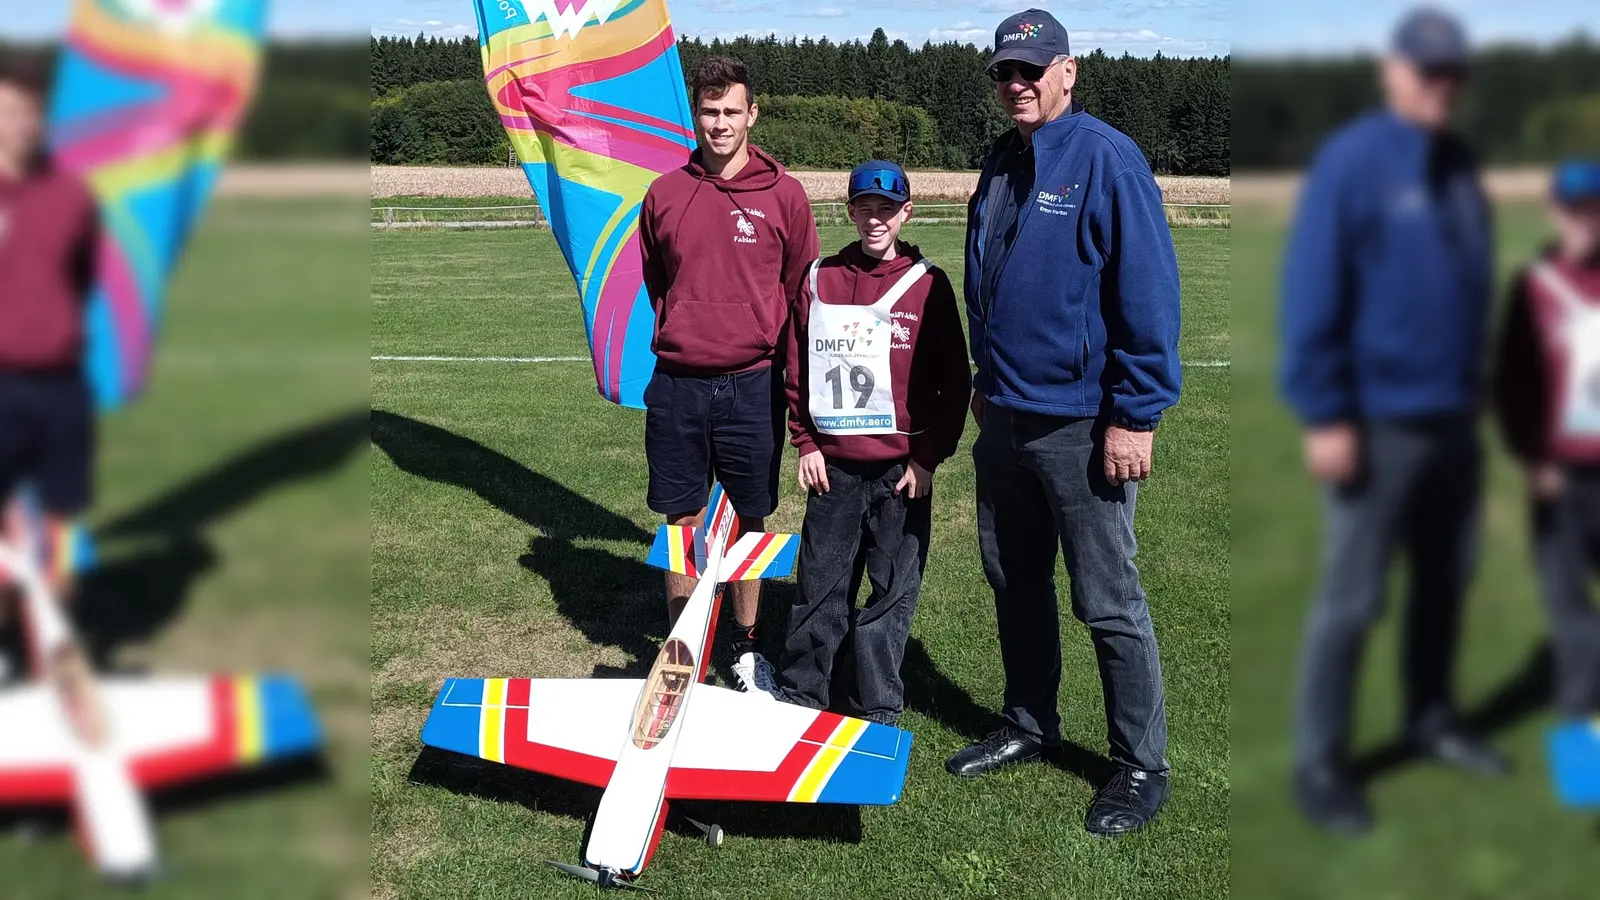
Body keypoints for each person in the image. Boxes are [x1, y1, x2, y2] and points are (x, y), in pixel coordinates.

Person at [948, 9, 1182, 838]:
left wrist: (1137, 414)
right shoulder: (1001, 161)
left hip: (1083, 425)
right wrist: (985, 379)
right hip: (1006, 417)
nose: (1017, 84)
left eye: (1031, 70)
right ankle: (1028, 721)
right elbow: (988, 276)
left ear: (1068, 71)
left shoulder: (1108, 159)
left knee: (1107, 599)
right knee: (1014, 580)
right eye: (1005, 72)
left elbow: (1148, 294)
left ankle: (1139, 763)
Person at [1279, 6, 1507, 836]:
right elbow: (1313, 291)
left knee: (1448, 578)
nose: (1442, 88)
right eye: (1428, 72)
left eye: (1454, 75)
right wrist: (1325, 413)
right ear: (1395, 73)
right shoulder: (1354, 163)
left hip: (1452, 421)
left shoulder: (1457, 163)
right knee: (1353, 597)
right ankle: (1320, 764)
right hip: (1374, 423)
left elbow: (1471, 279)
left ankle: (1432, 718)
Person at [637, 56, 819, 696]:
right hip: (679, 383)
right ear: (697, 114)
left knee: (749, 518)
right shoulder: (664, 193)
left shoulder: (785, 194)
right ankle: (682, 652)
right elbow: (658, 279)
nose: (719, 123)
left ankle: (744, 651)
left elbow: (801, 291)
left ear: (752, 114)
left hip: (753, 383)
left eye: (731, 111)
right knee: (682, 521)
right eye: (709, 112)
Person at [775, 160, 969, 726]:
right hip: (832, 468)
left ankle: (875, 705)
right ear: (850, 211)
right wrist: (806, 442)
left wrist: (927, 457)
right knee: (819, 586)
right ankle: (803, 696)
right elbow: (798, 368)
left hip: (901, 474)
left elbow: (952, 381)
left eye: (888, 208)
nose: (876, 218)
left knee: (890, 593)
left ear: (906, 212)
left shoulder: (928, 284)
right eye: (865, 207)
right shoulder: (821, 279)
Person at [0, 58, 101, 687]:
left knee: (63, 525)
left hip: (62, 385)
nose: (17, 123)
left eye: (27, 112)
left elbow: (82, 278)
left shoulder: (69, 194)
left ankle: (55, 655)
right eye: (5, 112)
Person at [1492, 158, 1600, 722]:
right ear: (1556, 212)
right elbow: (1512, 383)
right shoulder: (1535, 287)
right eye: (1573, 209)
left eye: (1594, 209)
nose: (1584, 220)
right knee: (1570, 619)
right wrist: (1534, 457)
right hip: (1560, 478)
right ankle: (1584, 775)